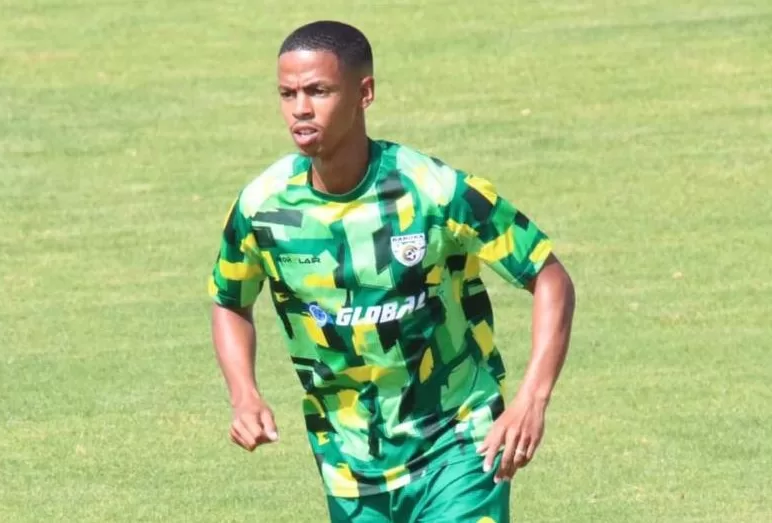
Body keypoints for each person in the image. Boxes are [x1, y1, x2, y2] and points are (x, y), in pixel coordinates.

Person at [208, 20, 576, 523]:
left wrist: (532, 398)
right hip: (349, 465)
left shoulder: (434, 192)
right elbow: (230, 300)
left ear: (365, 93)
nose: (300, 109)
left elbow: (548, 275)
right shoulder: (264, 206)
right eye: (287, 93)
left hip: (459, 441)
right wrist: (243, 394)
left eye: (318, 91)